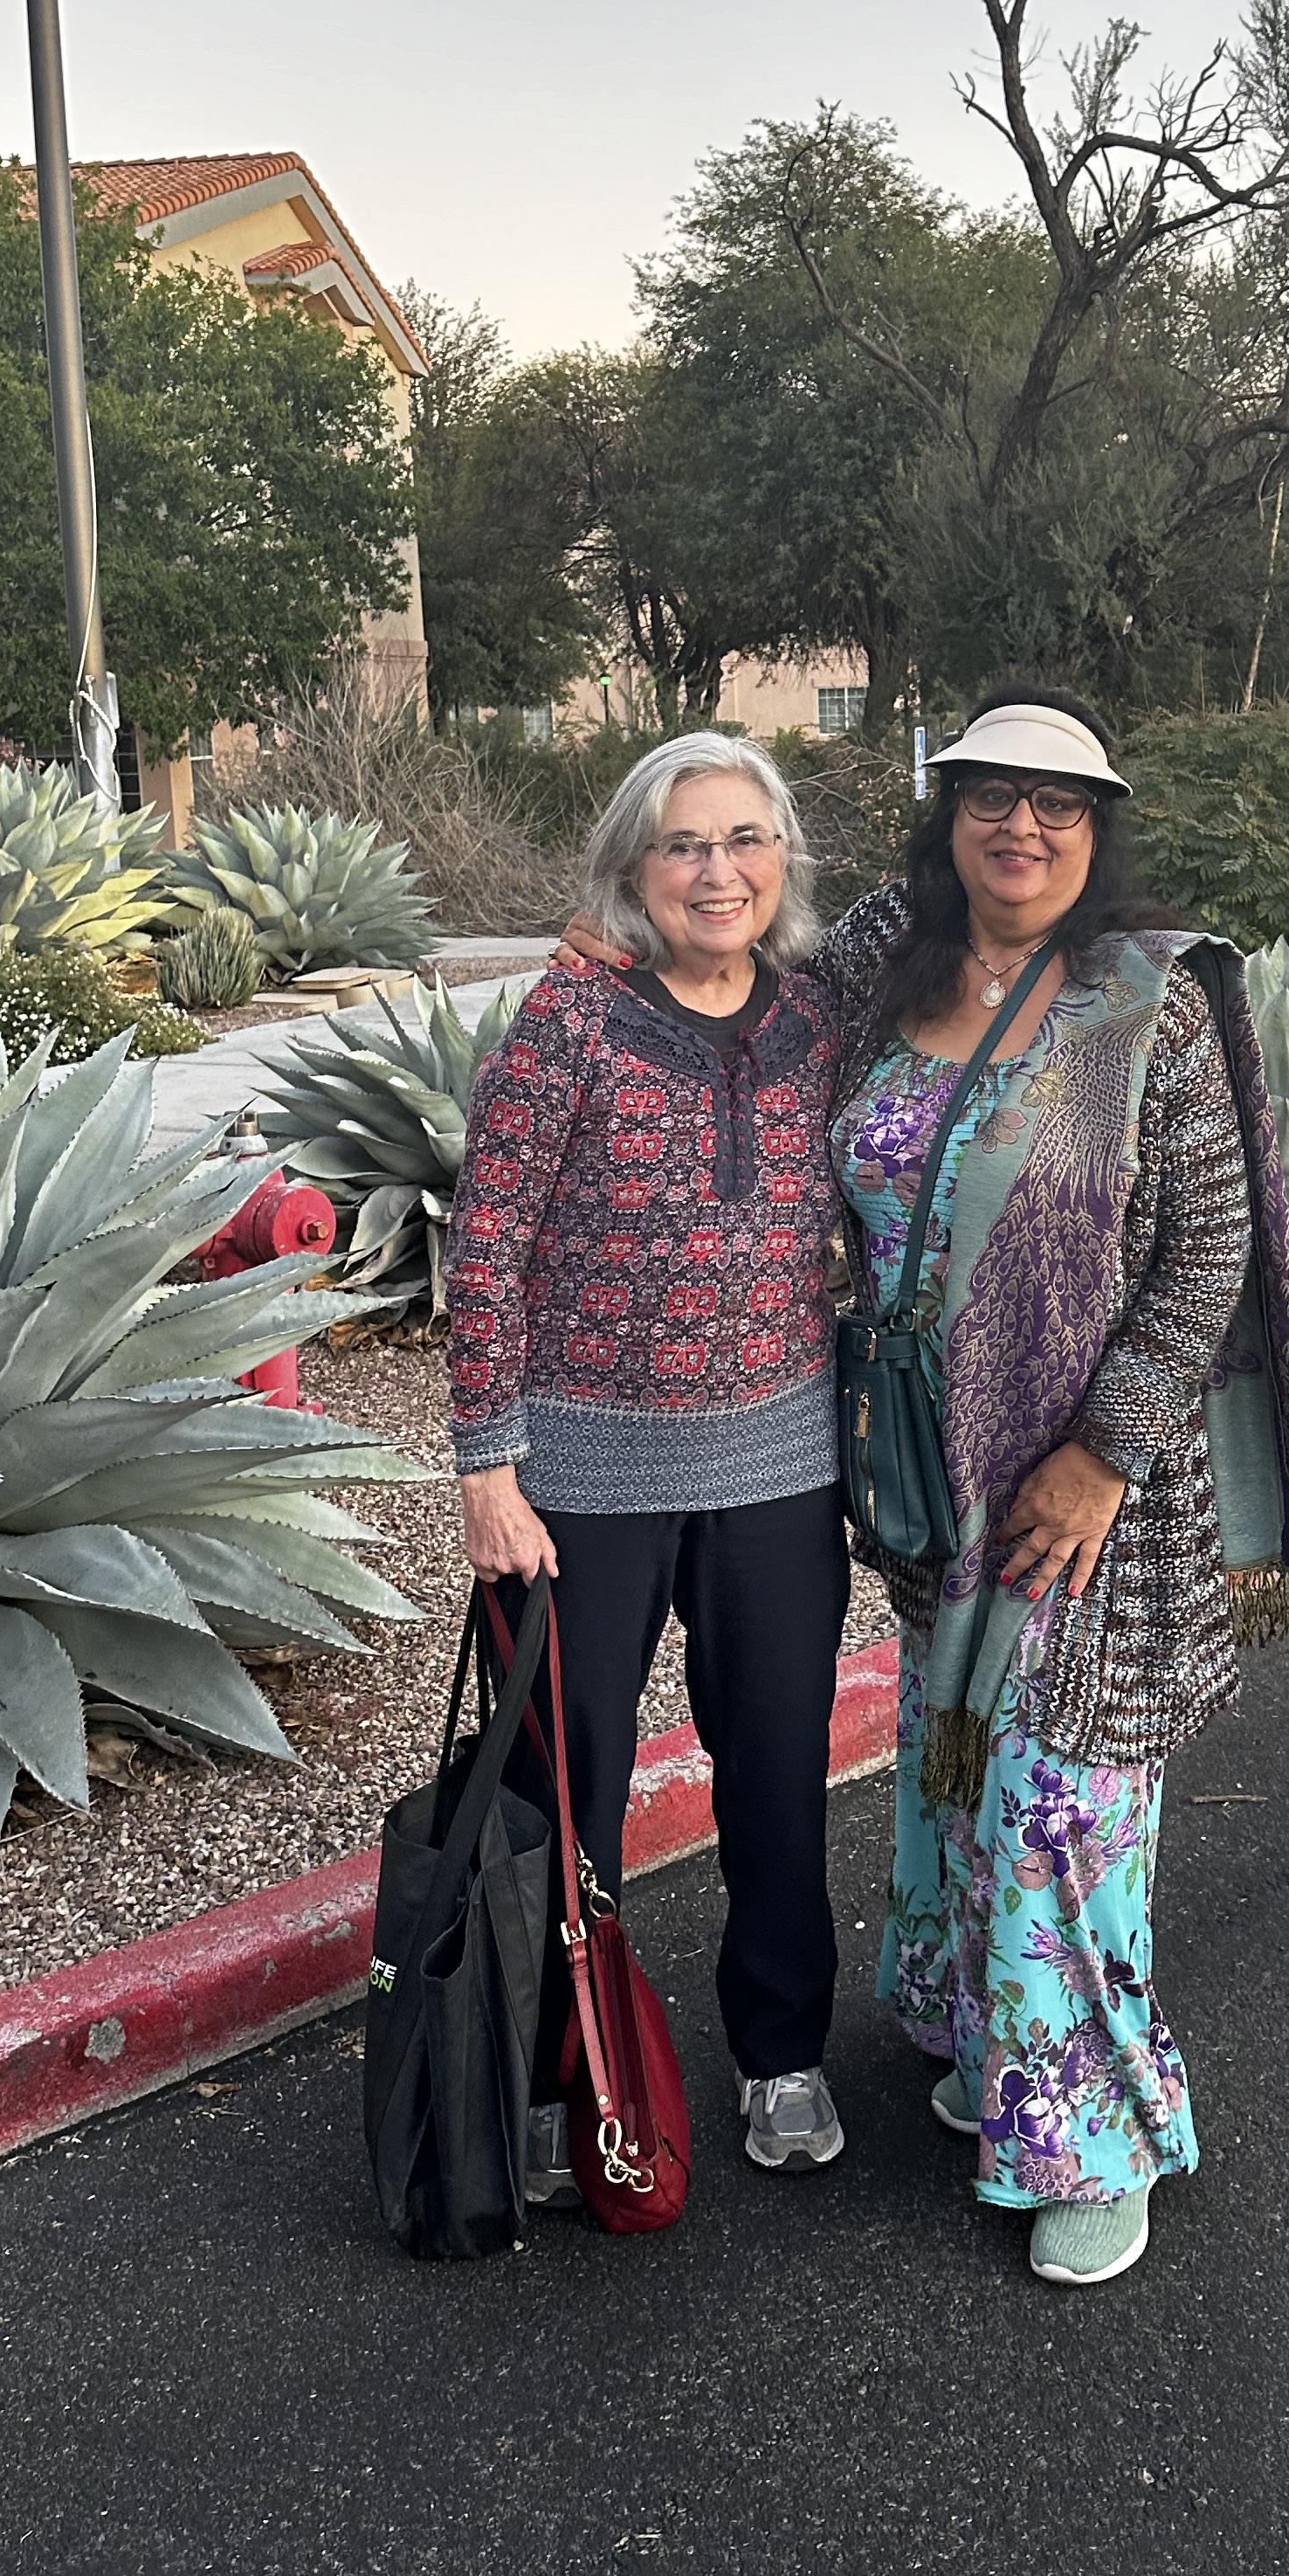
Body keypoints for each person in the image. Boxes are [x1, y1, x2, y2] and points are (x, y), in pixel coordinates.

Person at [822, 687, 1289, 2288]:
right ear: (948, 814)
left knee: (1064, 1808)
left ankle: (1094, 2130)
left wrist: (1104, 1450)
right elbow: (731, 992)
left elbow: (1209, 1253)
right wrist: (607, 948)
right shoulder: (877, 963)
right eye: (990, 797)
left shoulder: (1147, 1004)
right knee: (957, 1770)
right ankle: (979, 2035)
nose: (1021, 827)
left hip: (1089, 1501)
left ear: (1099, 830)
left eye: (1058, 803)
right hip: (931, 1478)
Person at [443, 733, 851, 2195]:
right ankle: (565, 2078)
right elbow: (481, 1241)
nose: (718, 871)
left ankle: (782, 2055)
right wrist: (489, 1465)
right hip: (582, 1484)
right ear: (632, 866)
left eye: (746, 840)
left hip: (782, 1469)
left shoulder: (818, 1024)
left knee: (776, 1779)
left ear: (783, 860)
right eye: (685, 845)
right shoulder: (569, 1021)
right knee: (567, 1794)